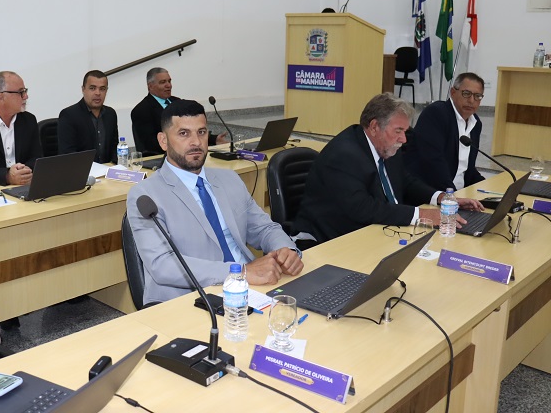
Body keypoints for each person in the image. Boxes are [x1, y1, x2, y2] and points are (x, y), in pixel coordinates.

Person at [127, 99, 304, 305]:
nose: (196, 142)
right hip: (191, 299)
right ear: (163, 141)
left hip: (252, 287)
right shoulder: (145, 195)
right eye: (184, 133)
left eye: (201, 132)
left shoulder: (229, 179)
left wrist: (286, 250)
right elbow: (162, 264)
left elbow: (264, 228)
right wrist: (241, 272)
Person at [292, 93, 483, 244]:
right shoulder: (344, 154)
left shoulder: (386, 146)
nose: (404, 139)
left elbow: (406, 182)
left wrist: (443, 199)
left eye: (405, 131)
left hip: (378, 231)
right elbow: (362, 208)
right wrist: (422, 215)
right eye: (398, 131)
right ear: (374, 126)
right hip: (332, 239)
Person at [404, 72, 486, 190]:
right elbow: (433, 163)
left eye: (477, 96)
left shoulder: (476, 123)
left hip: (458, 193)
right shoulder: (436, 113)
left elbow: (467, 169)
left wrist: (489, 189)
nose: (471, 100)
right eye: (466, 94)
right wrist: (453, 196)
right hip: (430, 192)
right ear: (453, 92)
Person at [130, 67, 227, 156]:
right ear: (150, 86)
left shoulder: (177, 102)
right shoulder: (141, 110)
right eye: (163, 82)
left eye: (169, 81)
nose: (168, 85)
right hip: (160, 159)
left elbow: (190, 130)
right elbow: (149, 145)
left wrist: (214, 139)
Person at [58, 70, 119, 164]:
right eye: (92, 88)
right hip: (82, 170)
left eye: (102, 89)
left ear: (106, 91)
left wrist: (113, 166)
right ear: (83, 89)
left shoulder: (110, 114)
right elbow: (68, 155)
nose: (98, 93)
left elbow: (114, 147)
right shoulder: (69, 115)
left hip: (108, 169)